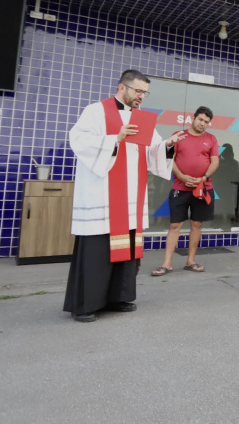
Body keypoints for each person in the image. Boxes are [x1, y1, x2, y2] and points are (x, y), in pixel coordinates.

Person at [63, 69, 185, 323]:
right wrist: (114, 140)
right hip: (102, 195)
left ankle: (118, 297)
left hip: (131, 196)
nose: (142, 96)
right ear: (122, 87)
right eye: (138, 91)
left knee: (126, 249)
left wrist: (168, 145)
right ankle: (85, 305)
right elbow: (78, 140)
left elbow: (153, 151)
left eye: (145, 92)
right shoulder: (96, 111)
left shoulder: (142, 119)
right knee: (98, 251)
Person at [152, 106, 218, 276]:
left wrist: (203, 178)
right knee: (175, 225)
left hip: (202, 188)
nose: (202, 123)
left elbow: (214, 162)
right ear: (193, 118)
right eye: (200, 119)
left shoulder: (211, 139)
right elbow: (170, 158)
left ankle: (191, 261)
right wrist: (181, 176)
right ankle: (166, 264)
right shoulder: (179, 136)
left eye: (206, 122)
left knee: (197, 224)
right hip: (180, 188)